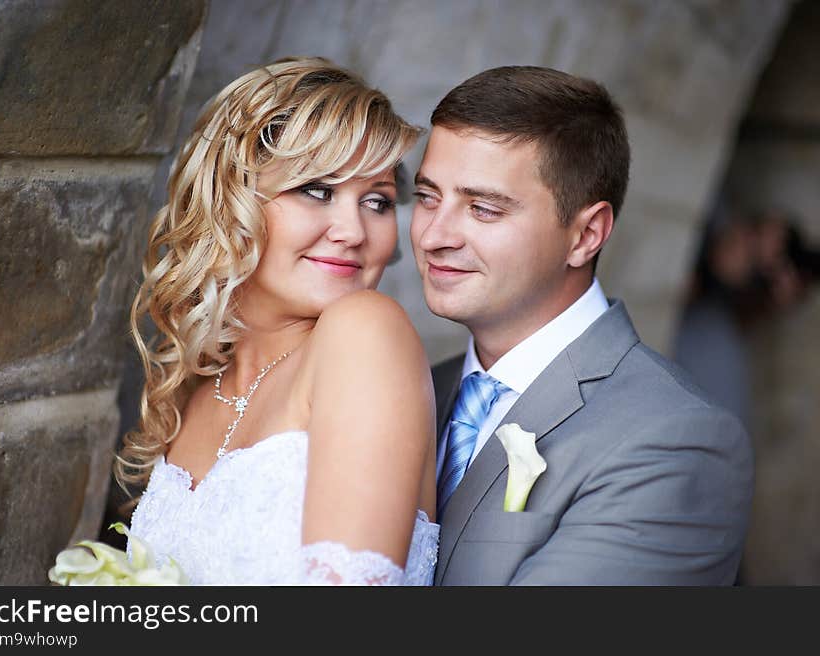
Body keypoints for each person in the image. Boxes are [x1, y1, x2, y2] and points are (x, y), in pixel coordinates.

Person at [410, 66, 754, 585]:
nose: (434, 234)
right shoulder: (412, 394)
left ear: (586, 234)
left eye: (482, 209)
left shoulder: (675, 440)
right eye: (428, 197)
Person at [115, 57, 438, 585]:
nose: (353, 231)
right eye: (318, 190)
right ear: (231, 199)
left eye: (377, 200)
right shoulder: (196, 386)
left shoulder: (365, 331)